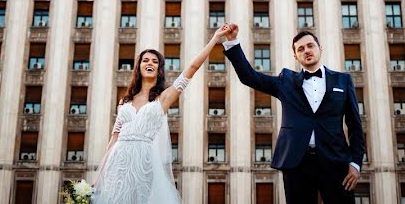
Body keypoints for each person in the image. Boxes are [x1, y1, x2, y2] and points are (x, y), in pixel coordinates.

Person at [222, 24, 365, 204]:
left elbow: (355, 127)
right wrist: (232, 41)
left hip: (335, 162)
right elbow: (249, 76)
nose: (306, 51)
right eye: (301, 49)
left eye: (310, 46)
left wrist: (355, 163)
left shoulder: (343, 80)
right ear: (295, 56)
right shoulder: (286, 81)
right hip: (297, 164)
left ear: (320, 49)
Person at [93, 25, 231, 203]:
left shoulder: (163, 98)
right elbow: (113, 142)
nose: (149, 63)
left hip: (143, 162)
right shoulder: (124, 101)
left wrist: (215, 39)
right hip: (117, 162)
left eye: (154, 61)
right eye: (145, 60)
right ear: (139, 67)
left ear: (159, 69)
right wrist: (98, 181)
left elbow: (192, 67)